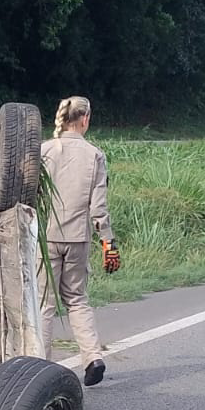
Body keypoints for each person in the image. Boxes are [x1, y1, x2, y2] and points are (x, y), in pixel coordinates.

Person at [40, 96, 119, 386]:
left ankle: (41, 367)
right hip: (78, 238)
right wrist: (108, 243)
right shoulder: (95, 155)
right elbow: (98, 208)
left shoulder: (44, 150)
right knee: (77, 300)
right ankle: (93, 358)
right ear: (84, 119)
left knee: (44, 305)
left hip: (45, 237)